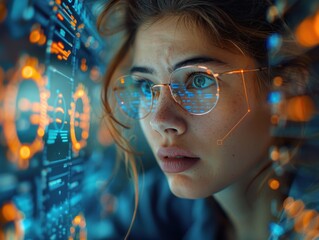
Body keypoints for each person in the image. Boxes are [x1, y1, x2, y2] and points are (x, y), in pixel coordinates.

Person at [97, 0, 319, 239]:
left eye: (199, 80)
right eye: (146, 85)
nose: (159, 120)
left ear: (285, 84)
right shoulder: (153, 210)